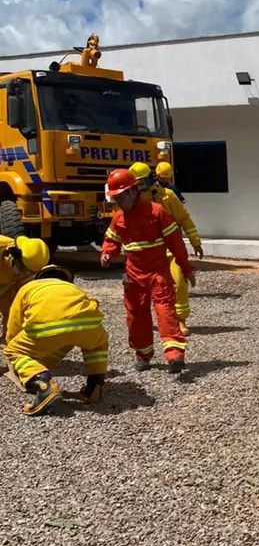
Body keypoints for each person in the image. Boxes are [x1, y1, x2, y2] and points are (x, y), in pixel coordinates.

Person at [100, 168, 195, 373]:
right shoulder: (119, 218)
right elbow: (111, 241)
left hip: (157, 272)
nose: (117, 202)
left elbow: (176, 243)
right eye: (114, 198)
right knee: (136, 316)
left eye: (120, 197)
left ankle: (175, 355)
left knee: (165, 311)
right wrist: (107, 254)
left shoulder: (156, 212)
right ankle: (143, 354)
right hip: (134, 275)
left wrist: (186, 269)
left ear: (133, 192)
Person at [3, 264, 108, 416]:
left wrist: (12, 342)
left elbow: (14, 322)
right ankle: (94, 386)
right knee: (97, 345)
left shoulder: (29, 287)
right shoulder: (72, 288)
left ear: (40, 277)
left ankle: (44, 386)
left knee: (13, 351)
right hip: (89, 325)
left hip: (46, 327)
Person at [129, 162, 203, 333]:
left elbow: (184, 219)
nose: (140, 187)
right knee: (142, 289)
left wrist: (195, 241)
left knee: (178, 282)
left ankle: (180, 320)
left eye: (142, 182)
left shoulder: (167, 196)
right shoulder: (131, 202)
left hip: (171, 248)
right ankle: (146, 321)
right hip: (146, 251)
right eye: (136, 183)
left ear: (151, 179)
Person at [0, 235, 50, 341]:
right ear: (15, 257)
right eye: (25, 269)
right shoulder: (2, 246)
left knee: (12, 307)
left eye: (31, 272)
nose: (26, 273)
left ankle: (7, 337)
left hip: (5, 284)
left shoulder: (27, 263)